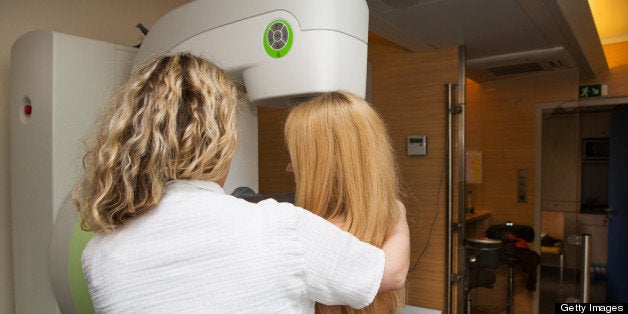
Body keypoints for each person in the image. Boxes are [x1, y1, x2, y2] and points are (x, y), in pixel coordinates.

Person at [73, 52, 410, 313]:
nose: (291, 168)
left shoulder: (98, 254)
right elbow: (391, 273)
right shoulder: (280, 229)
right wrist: (395, 210)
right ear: (221, 138)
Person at [284, 91, 410, 314]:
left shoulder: (306, 236)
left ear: (323, 165)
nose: (289, 168)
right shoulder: (390, 218)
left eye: (298, 159)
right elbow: (394, 275)